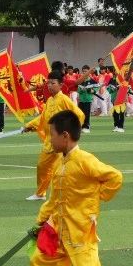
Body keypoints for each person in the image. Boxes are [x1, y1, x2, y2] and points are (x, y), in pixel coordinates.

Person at [23, 111, 123, 266]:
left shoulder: (85, 160)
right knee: (39, 263)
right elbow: (54, 198)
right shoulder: (61, 162)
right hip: (57, 230)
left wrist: (97, 198)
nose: (50, 140)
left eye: (52, 135)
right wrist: (39, 222)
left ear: (65, 136)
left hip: (80, 231)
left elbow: (115, 177)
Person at [22, 71, 86, 201]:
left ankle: (66, 194)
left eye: (53, 83)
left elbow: (79, 115)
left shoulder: (64, 99)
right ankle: (41, 193)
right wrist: (30, 125)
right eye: (48, 83)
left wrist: (70, 132)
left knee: (60, 169)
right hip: (50, 141)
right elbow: (43, 118)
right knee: (42, 166)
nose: (50, 86)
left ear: (61, 85)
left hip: (61, 141)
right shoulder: (50, 100)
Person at [75, 64, 98, 134]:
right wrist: (82, 90)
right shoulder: (80, 80)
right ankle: (80, 126)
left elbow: (96, 88)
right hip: (81, 99)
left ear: (89, 72)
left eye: (86, 71)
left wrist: (92, 90)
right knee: (80, 114)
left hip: (88, 99)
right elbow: (78, 90)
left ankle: (86, 127)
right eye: (83, 71)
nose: (84, 73)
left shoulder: (92, 81)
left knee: (87, 114)